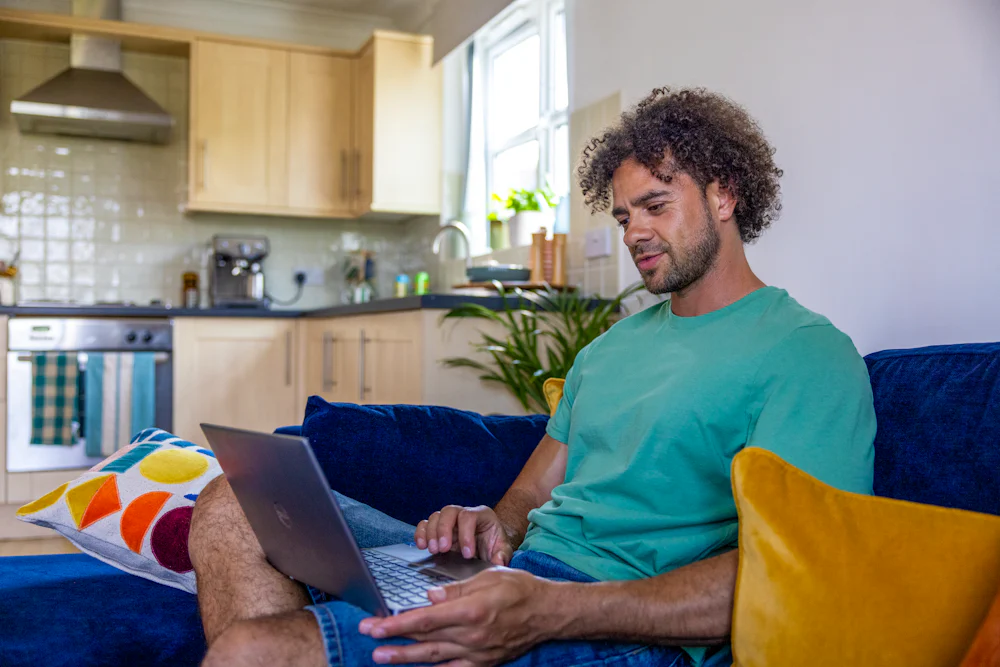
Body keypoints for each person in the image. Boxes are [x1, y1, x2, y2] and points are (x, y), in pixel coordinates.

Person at [189, 87, 876, 667]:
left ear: (725, 195)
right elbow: (529, 495)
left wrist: (550, 609)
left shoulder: (805, 354)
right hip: (516, 578)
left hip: (608, 616)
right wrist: (493, 525)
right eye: (623, 213)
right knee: (232, 499)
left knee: (253, 649)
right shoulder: (613, 346)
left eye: (656, 205)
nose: (634, 231)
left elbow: (792, 572)